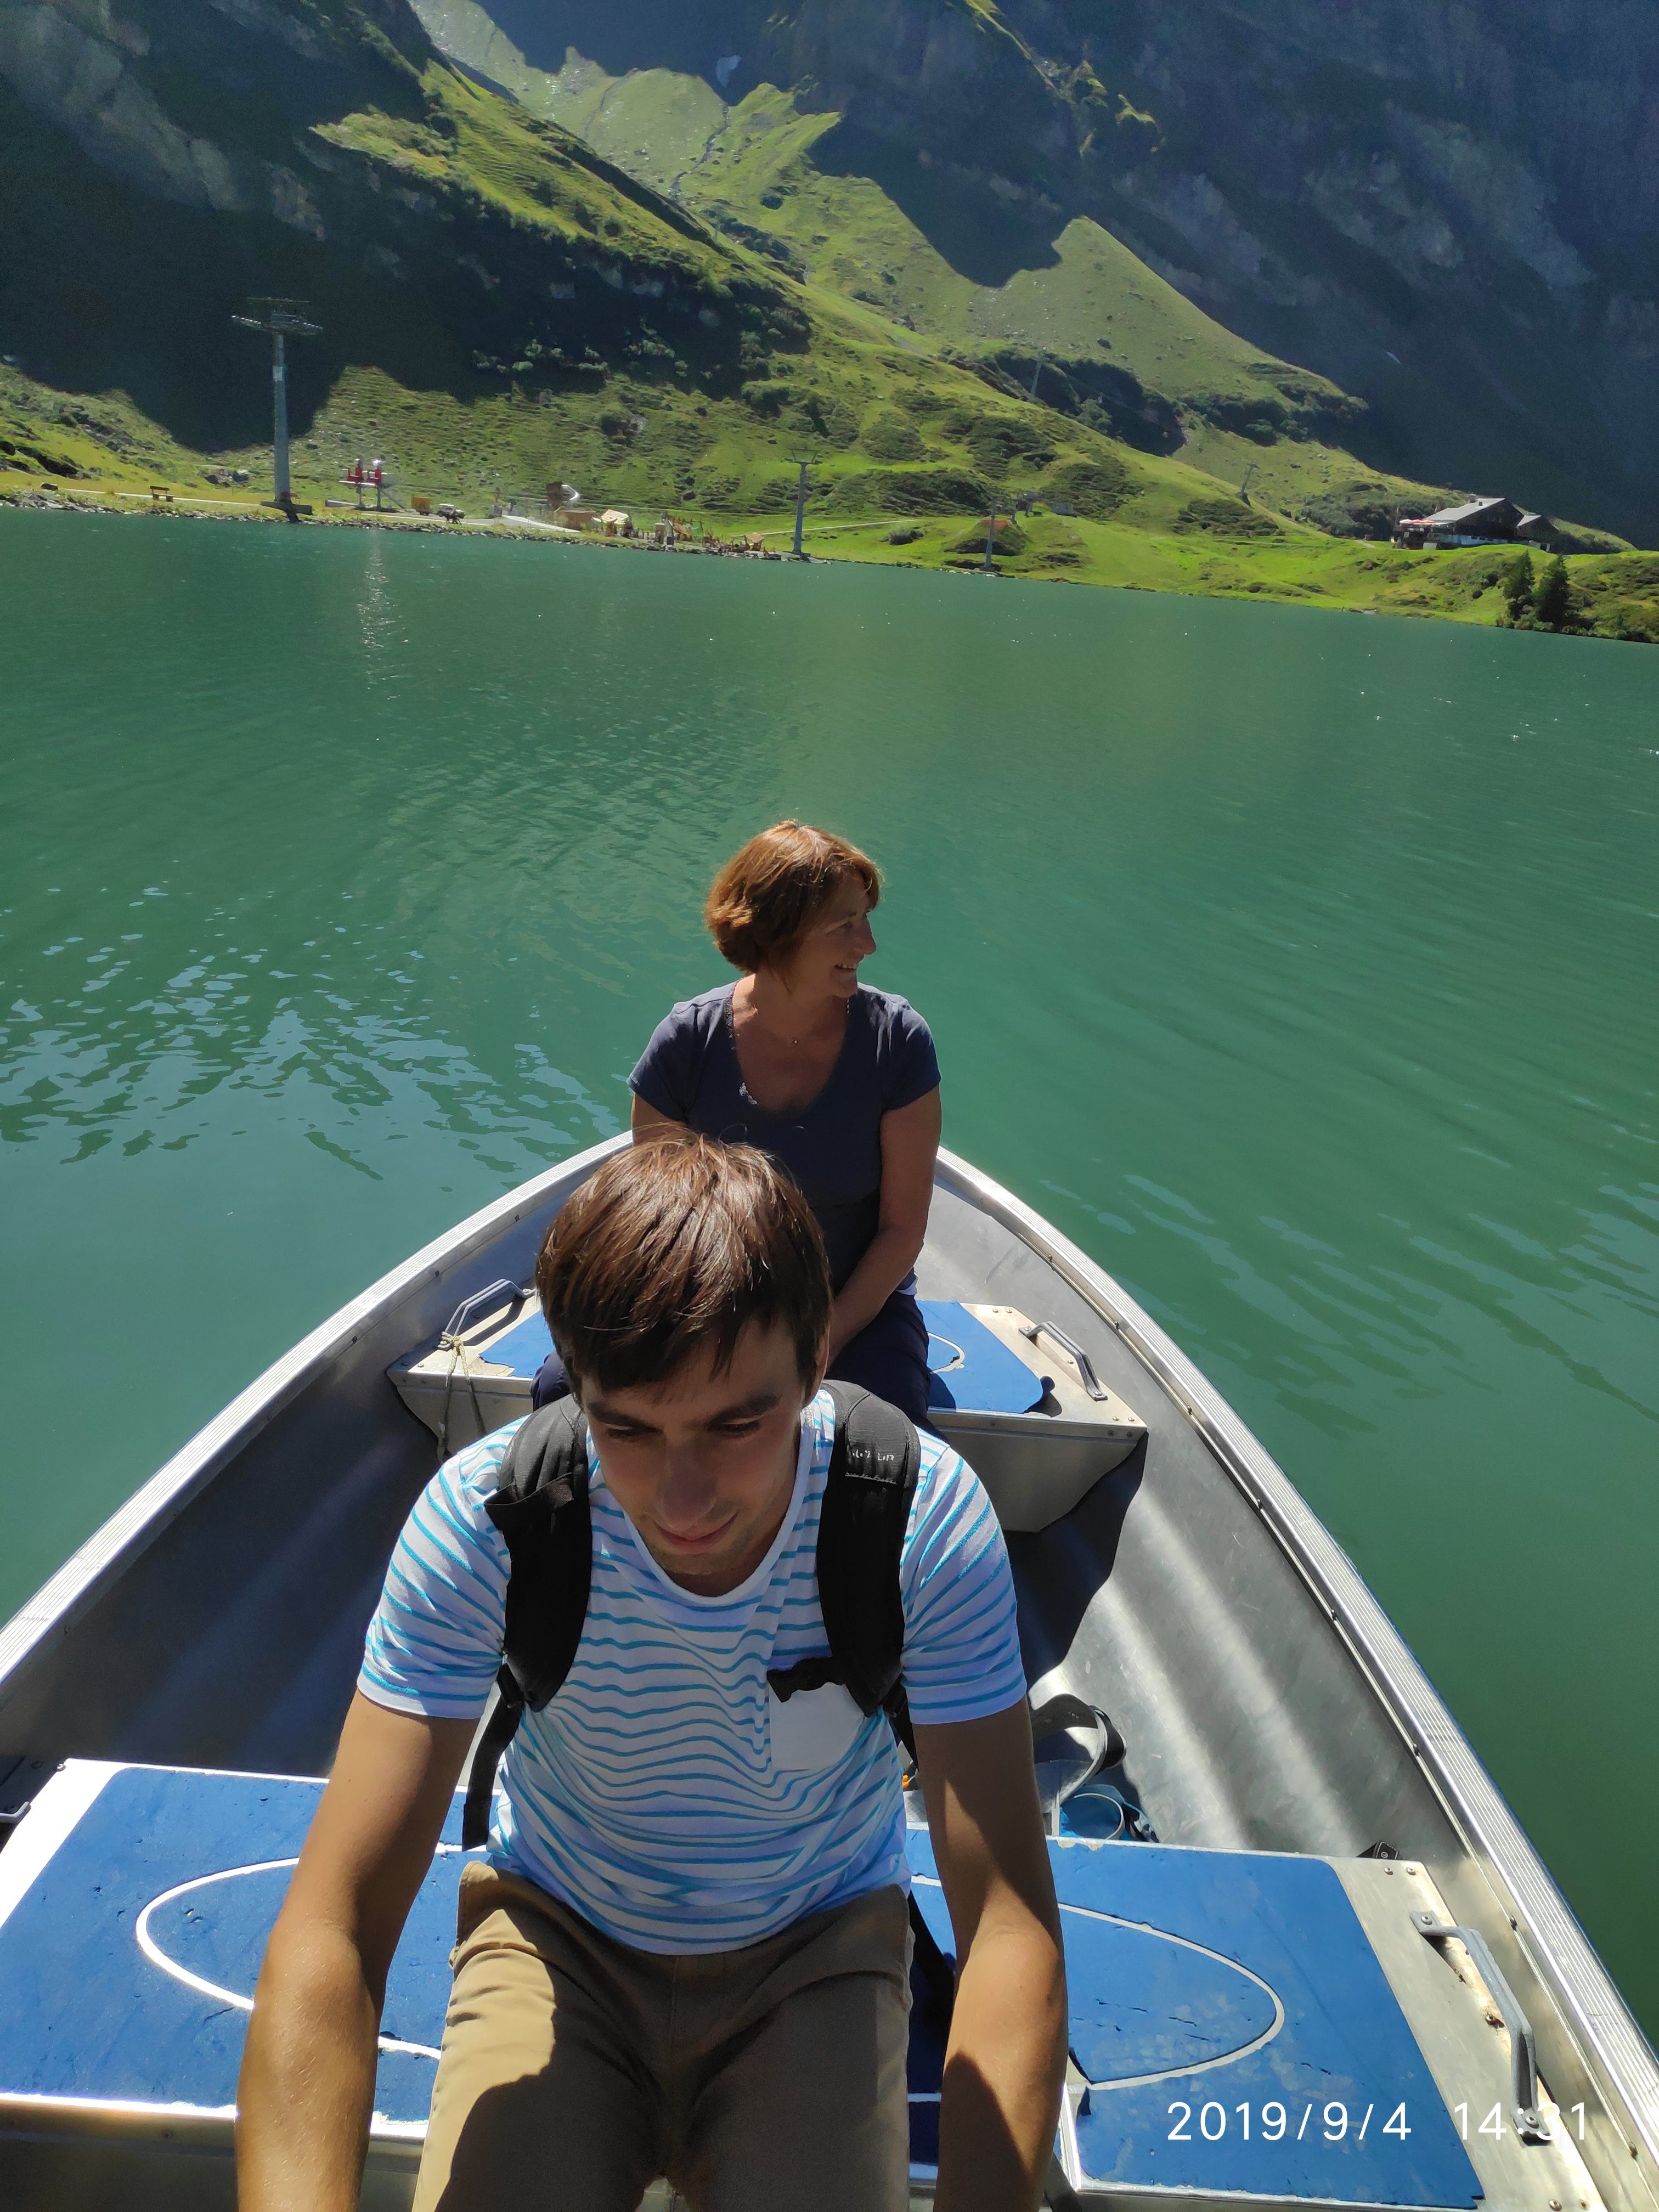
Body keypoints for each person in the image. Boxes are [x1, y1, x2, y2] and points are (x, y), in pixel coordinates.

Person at [237, 1135, 1065, 2212]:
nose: (682, 1501)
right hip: (559, 1936)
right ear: (574, 1387)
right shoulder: (490, 1522)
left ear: (817, 1358)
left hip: (815, 1944)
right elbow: (334, 1927)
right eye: (625, 1428)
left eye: (736, 1423)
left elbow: (1007, 1923)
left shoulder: (917, 1523)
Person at [535, 821, 942, 1426]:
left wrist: (822, 1339)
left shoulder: (897, 1041)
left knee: (884, 1423)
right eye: (845, 925)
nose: (868, 944)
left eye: (865, 919)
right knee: (559, 1394)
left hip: (850, 1306)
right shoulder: (687, 1043)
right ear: (778, 933)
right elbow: (657, 1222)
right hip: (703, 1305)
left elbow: (902, 1231)